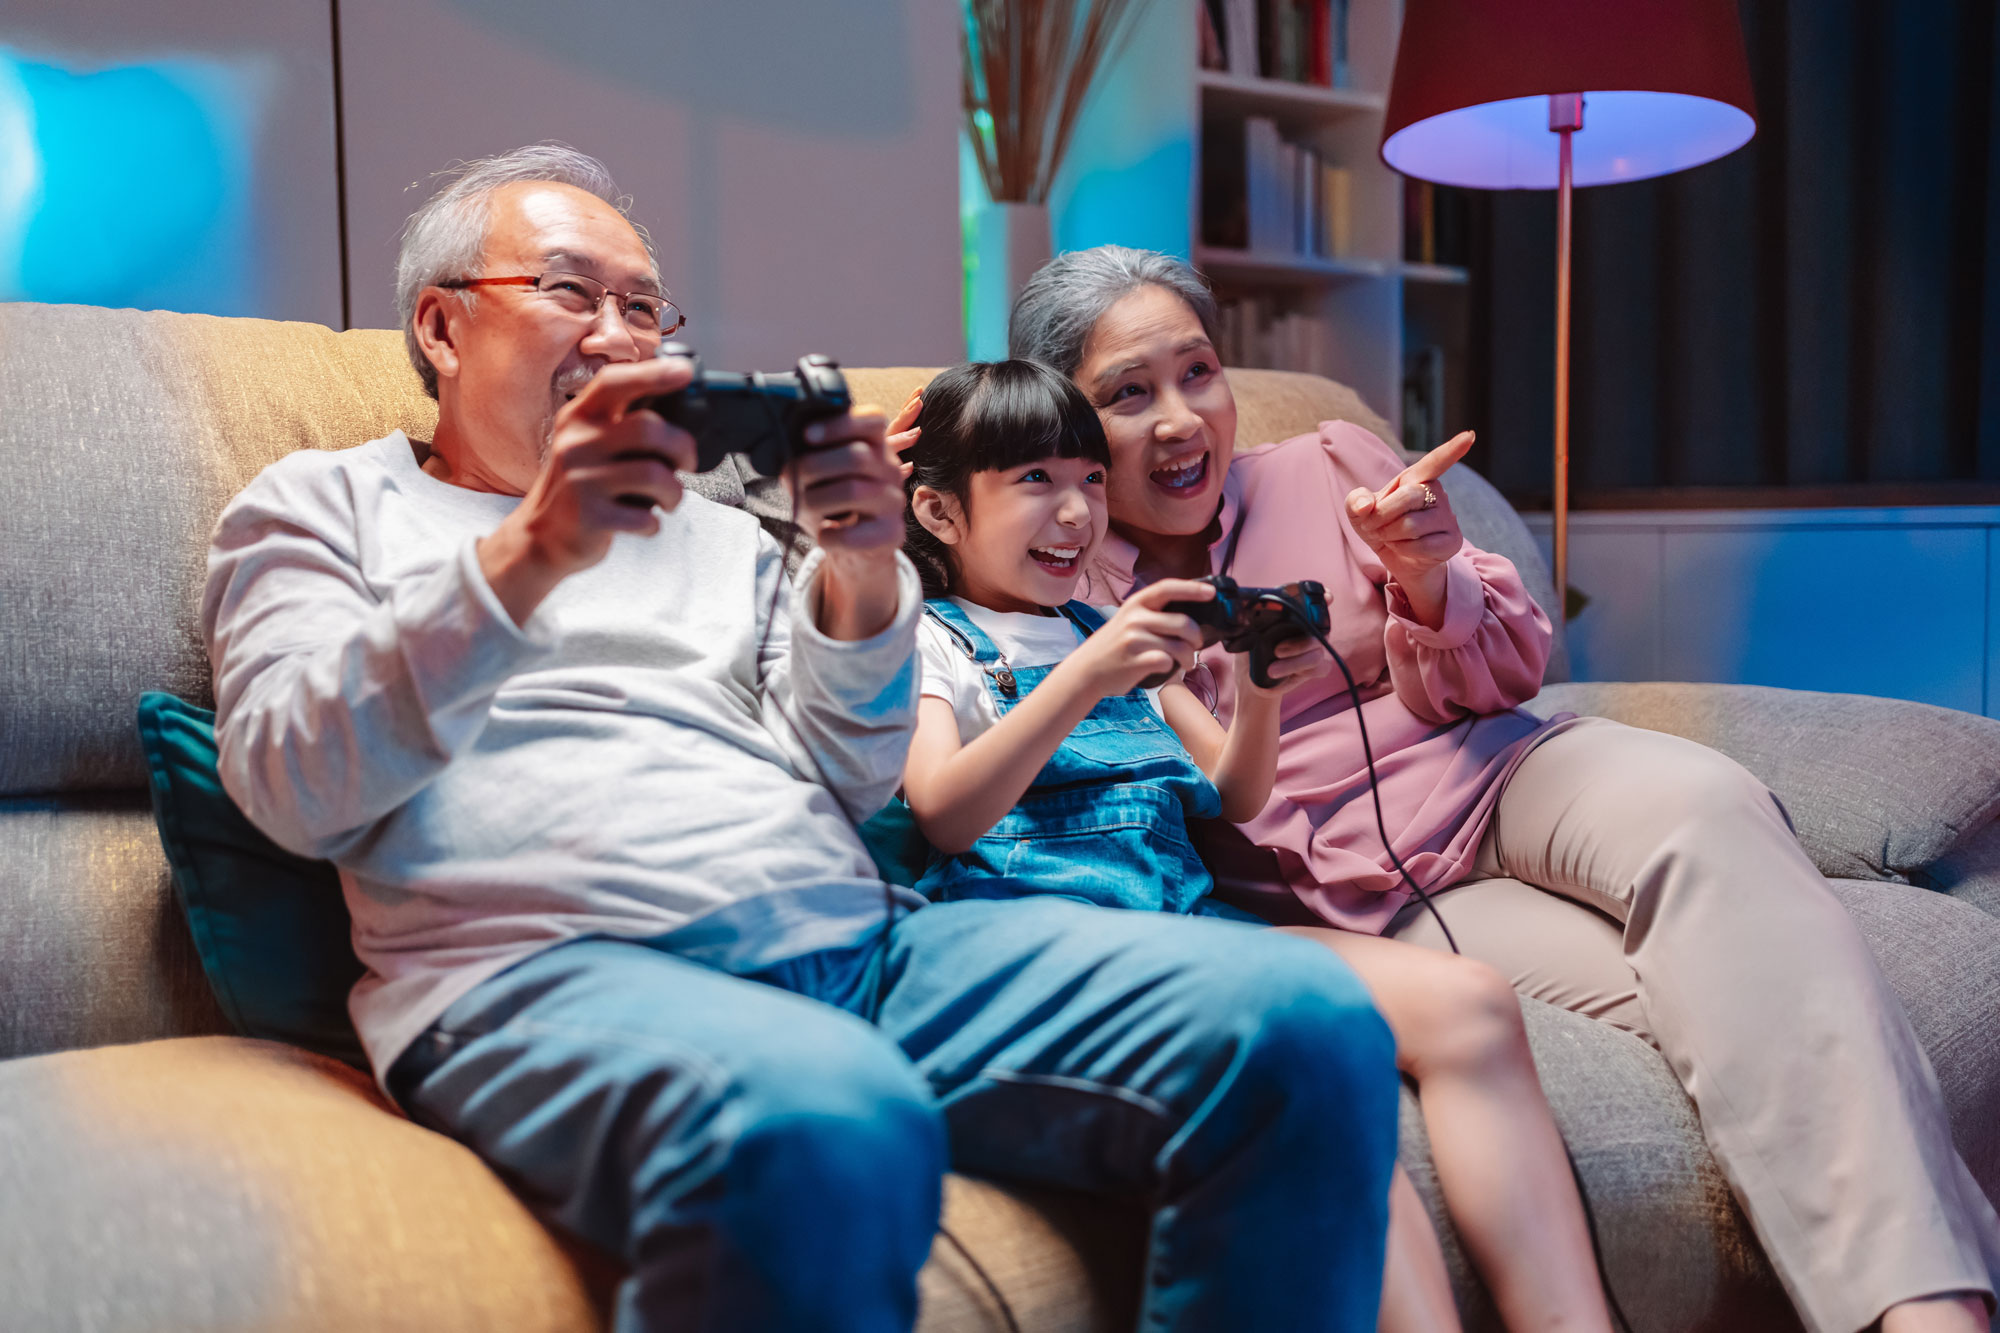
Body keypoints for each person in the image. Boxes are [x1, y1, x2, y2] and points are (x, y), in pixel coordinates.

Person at [200, 147, 1402, 1333]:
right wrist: (534, 550)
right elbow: (292, 787)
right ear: (442, 327)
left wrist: (864, 569)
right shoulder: (319, 506)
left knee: (1303, 1019)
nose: (623, 336)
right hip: (544, 974)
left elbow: (855, 769)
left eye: (643, 307)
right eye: (572, 291)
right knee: (829, 1117)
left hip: (859, 945)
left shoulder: (718, 536)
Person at [1000, 243, 2000, 1333]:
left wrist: (1428, 577)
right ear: (1065, 419)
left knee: (1704, 805)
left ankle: (1923, 1317)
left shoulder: (1324, 464)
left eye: (1197, 372)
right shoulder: (1059, 570)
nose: (1181, 418)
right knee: (1736, 988)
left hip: (1498, 764)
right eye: (1126, 395)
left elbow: (1512, 664)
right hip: (1362, 895)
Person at [892, 355, 1613, 1333]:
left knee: (1470, 1001)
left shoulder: (1103, 625)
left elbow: (1233, 794)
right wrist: (1080, 680)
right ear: (939, 513)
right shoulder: (925, 639)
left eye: (1088, 481)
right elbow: (940, 810)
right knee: (1320, 1063)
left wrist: (1262, 689)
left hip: (1188, 918)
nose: (1074, 514)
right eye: (1034, 482)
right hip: (1045, 936)